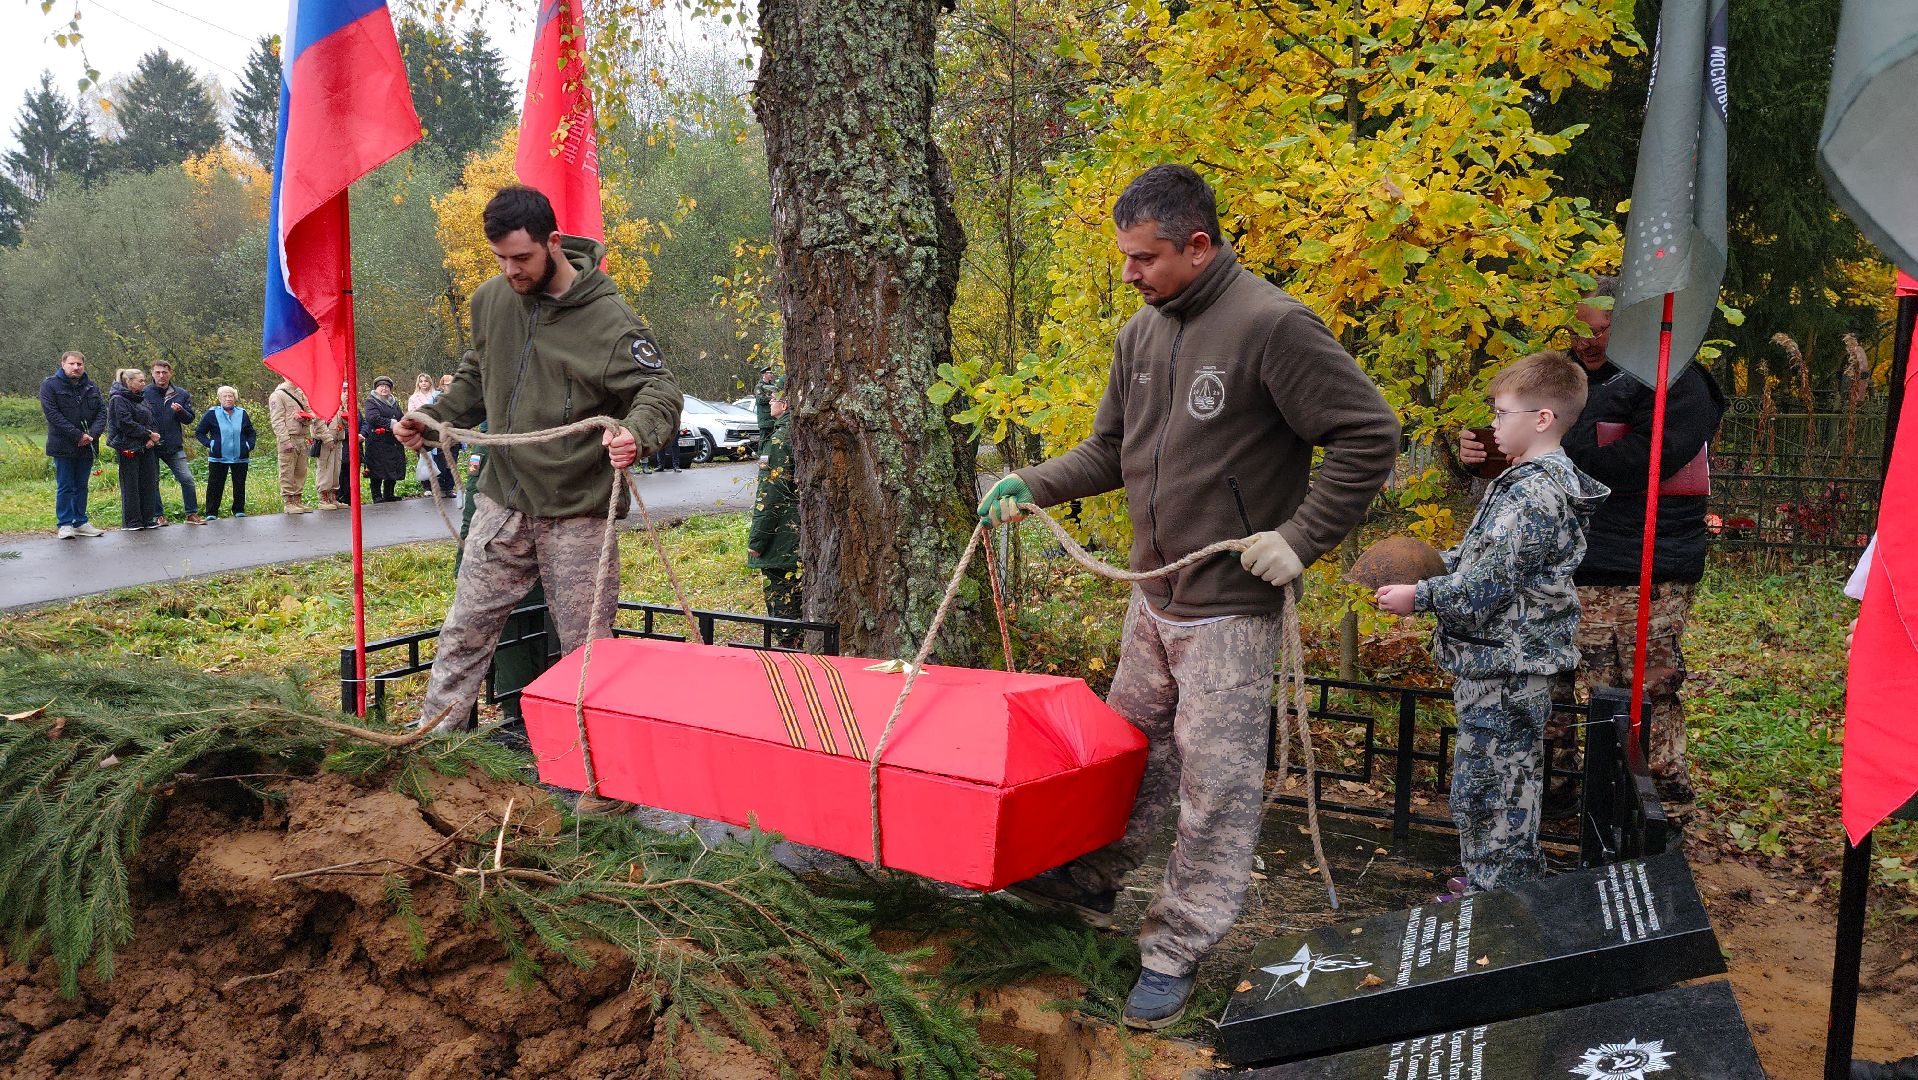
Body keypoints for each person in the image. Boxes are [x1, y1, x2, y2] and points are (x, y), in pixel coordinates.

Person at [976, 165, 1401, 1029]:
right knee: (1126, 751)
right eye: (1125, 257)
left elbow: (1368, 433)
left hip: (1230, 615)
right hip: (1154, 601)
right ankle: (1090, 877)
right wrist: (1031, 483)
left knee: (1217, 787)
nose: (1130, 273)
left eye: (1145, 257)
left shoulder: (1272, 326)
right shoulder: (1141, 334)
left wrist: (1300, 538)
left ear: (1198, 245)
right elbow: (1106, 452)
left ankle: (1175, 949)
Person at [396, 185, 681, 733]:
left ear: (553, 242)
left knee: (584, 648)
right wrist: (433, 424)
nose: (510, 270)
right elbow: (478, 374)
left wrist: (635, 434)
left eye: (521, 257)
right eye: (500, 258)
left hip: (577, 507)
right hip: (503, 499)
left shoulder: (610, 320)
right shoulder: (490, 300)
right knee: (466, 628)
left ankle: (595, 776)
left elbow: (661, 392)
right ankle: (434, 749)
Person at [1460, 276, 1727, 807]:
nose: (1586, 342)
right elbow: (1515, 434)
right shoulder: (1559, 378)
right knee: (1547, 683)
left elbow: (1647, 461)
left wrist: (1549, 455)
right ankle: (1554, 796)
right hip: (1557, 565)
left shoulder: (1671, 378)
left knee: (1636, 690)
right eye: (1577, 329)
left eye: (1600, 330)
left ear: (1627, 324)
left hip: (1636, 567)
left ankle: (1650, 808)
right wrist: (1484, 452)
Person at [1376, 352, 1608, 896]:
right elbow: (1486, 558)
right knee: (1509, 778)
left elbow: (1491, 584)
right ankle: (1502, 884)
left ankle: (1494, 899)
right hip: (1506, 657)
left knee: (1489, 785)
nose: (1495, 425)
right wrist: (1440, 563)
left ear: (1543, 418)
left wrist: (1421, 596)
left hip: (1506, 660)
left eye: (1503, 414)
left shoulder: (1533, 492)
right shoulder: (1525, 482)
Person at [747, 382, 801, 647]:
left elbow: (770, 495)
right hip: (794, 533)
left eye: (773, 398)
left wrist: (757, 541)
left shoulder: (781, 439)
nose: (769, 402)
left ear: (786, 403)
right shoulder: (793, 431)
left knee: (784, 604)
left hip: (782, 537)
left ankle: (789, 650)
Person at [39, 349, 107, 539]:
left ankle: (80, 522)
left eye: (79, 364)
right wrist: (78, 435)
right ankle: (65, 524)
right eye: (72, 364)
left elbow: (102, 413)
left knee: (82, 485)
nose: (76, 367)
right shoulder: (50, 386)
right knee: (66, 485)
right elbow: (53, 415)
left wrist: (92, 435)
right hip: (63, 445)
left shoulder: (92, 387)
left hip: (88, 445)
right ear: (63, 364)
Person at [142, 359, 203, 525]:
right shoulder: (144, 392)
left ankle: (191, 514)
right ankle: (158, 515)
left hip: (173, 444)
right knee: (152, 481)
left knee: (187, 479)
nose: (161, 376)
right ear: (152, 374)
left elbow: (190, 419)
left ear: (170, 373)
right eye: (158, 373)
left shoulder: (181, 394)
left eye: (165, 372)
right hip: (151, 445)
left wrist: (181, 411)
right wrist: (146, 436)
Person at [106, 368, 163, 531]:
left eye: (144, 380)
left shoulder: (141, 398)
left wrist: (152, 438)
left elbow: (150, 419)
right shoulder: (117, 399)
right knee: (131, 484)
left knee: (148, 482)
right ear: (128, 382)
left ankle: (147, 518)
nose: (144, 383)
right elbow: (125, 423)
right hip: (127, 446)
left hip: (147, 446)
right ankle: (132, 521)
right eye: (141, 380)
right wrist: (148, 435)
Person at [194, 386, 257, 519]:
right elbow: (199, 432)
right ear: (220, 398)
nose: (228, 399)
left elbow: (251, 432)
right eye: (225, 396)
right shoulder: (212, 413)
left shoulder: (242, 413)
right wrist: (210, 444)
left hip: (240, 456)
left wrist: (248, 445)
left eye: (231, 396)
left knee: (239, 484)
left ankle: (239, 510)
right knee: (214, 485)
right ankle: (211, 512)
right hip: (218, 457)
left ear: (235, 398)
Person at [267, 378, 317, 514]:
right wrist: (285, 440)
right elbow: (277, 421)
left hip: (302, 438)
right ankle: (288, 502)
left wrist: (305, 418)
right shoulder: (278, 395)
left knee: (301, 471)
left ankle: (297, 500)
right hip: (289, 438)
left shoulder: (301, 394)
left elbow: (312, 414)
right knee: (287, 470)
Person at [360, 376, 407, 503]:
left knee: (393, 466)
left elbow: (400, 416)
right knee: (377, 468)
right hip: (377, 440)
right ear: (376, 388)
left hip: (393, 440)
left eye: (387, 386)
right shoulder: (371, 401)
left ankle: (389, 494)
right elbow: (372, 418)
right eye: (381, 386)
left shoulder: (394, 402)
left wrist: (405, 424)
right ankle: (376, 495)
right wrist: (391, 424)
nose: (384, 388)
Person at [312, 386, 350, 511]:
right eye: (343, 390)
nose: (345, 393)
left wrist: (345, 407)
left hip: (338, 440)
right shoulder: (322, 401)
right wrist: (327, 438)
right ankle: (323, 498)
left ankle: (333, 497)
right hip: (325, 441)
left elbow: (345, 423)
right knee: (325, 469)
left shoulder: (339, 404)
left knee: (335, 470)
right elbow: (318, 423)